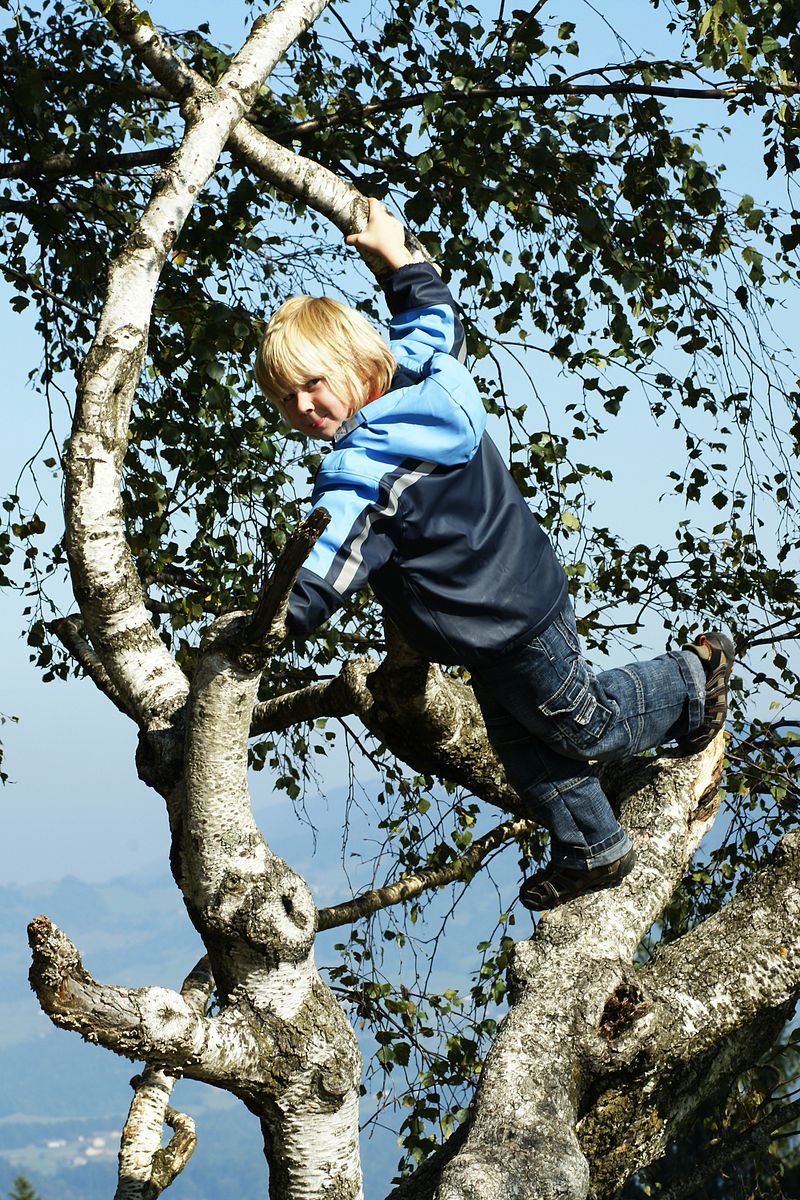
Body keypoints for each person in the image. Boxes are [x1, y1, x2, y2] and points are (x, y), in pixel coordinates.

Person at [255, 198, 735, 912]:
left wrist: (274, 620)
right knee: (529, 756)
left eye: (312, 384)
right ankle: (594, 846)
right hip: (500, 615)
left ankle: (693, 681)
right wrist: (396, 255)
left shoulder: (365, 462)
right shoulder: (425, 370)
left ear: (355, 362)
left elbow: (335, 549)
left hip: (512, 621)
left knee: (587, 725)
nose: (303, 408)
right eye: (285, 400)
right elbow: (432, 313)